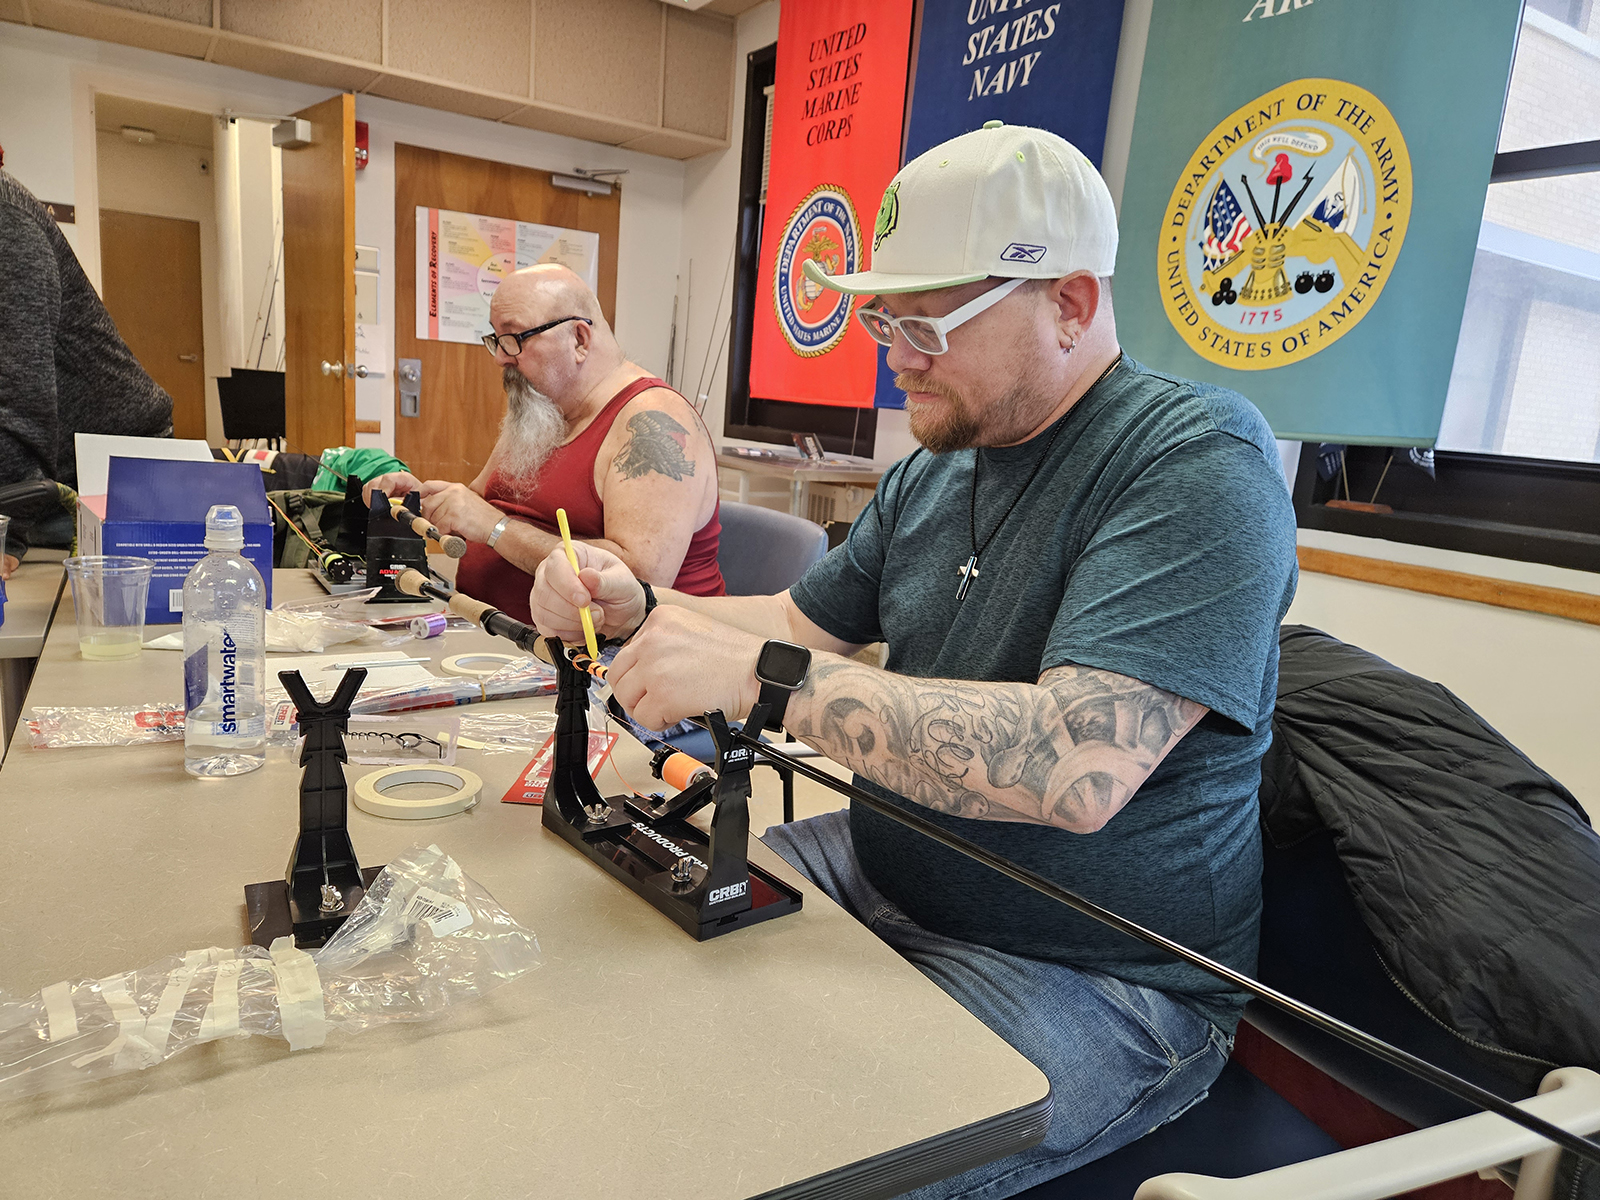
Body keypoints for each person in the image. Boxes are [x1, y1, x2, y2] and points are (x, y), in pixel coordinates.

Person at [528, 122, 1297, 1198]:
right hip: (884, 870)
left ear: (1070, 303)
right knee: (622, 967)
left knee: (769, 1156)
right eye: (883, 317)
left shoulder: (1195, 461)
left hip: (1095, 973)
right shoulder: (940, 464)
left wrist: (761, 684)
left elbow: (1075, 768)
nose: (895, 355)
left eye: (927, 323)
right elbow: (800, 624)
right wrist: (643, 605)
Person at [365, 264, 723, 620]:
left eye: (515, 338)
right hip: (494, 638)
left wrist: (496, 529)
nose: (500, 357)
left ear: (580, 339)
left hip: (610, 663)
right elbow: (478, 504)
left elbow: (638, 581)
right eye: (496, 339)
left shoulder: (654, 422)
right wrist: (418, 501)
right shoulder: (542, 410)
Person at [0, 158, 173, 576]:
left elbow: (18, 399)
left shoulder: (7, 220)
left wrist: (6, 532)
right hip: (43, 486)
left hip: (99, 483)